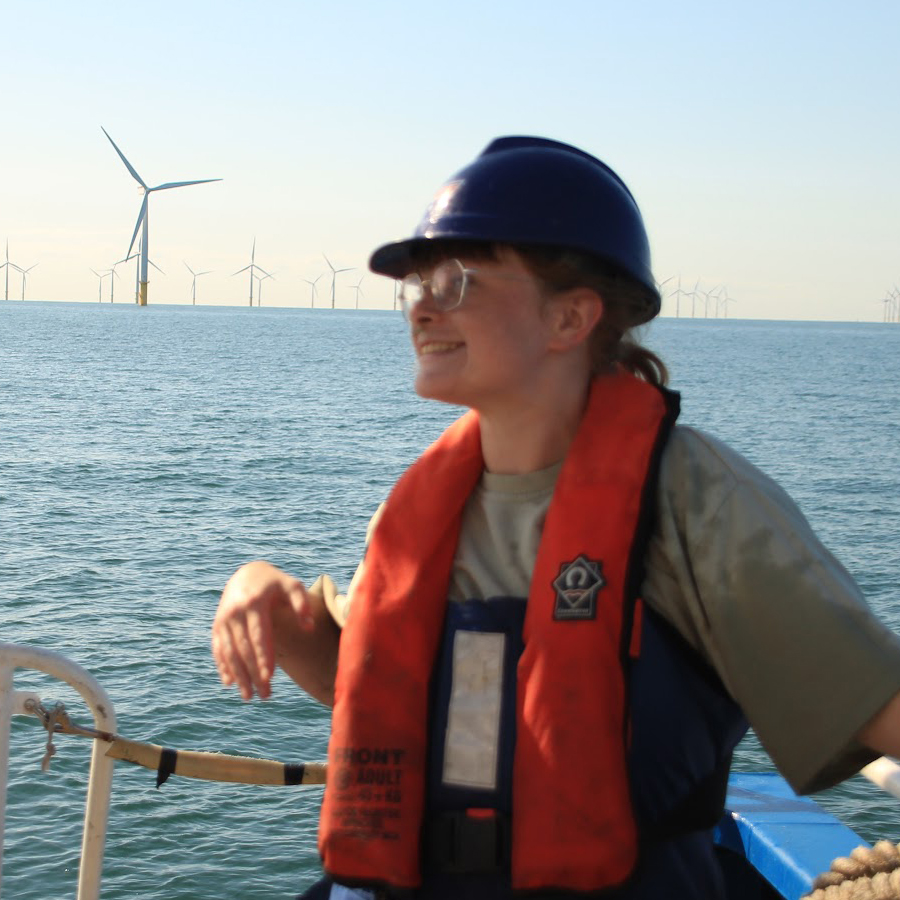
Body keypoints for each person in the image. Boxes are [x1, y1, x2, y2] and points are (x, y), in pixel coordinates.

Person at [211, 136, 900, 900]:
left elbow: (877, 706)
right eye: (417, 285)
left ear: (570, 317)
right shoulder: (418, 510)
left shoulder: (693, 499)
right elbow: (369, 687)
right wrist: (264, 591)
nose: (422, 308)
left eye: (458, 280)